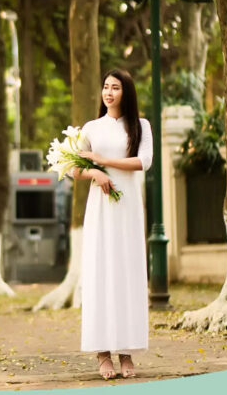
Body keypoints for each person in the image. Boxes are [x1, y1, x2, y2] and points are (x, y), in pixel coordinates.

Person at [70, 68, 152, 380]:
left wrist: (103, 161)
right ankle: (103, 353)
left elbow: (142, 162)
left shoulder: (141, 126)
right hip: (101, 210)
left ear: (126, 93)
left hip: (128, 208)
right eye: (105, 87)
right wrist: (95, 173)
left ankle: (126, 351)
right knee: (101, 274)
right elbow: (74, 167)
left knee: (128, 275)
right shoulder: (91, 128)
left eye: (115, 88)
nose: (108, 93)